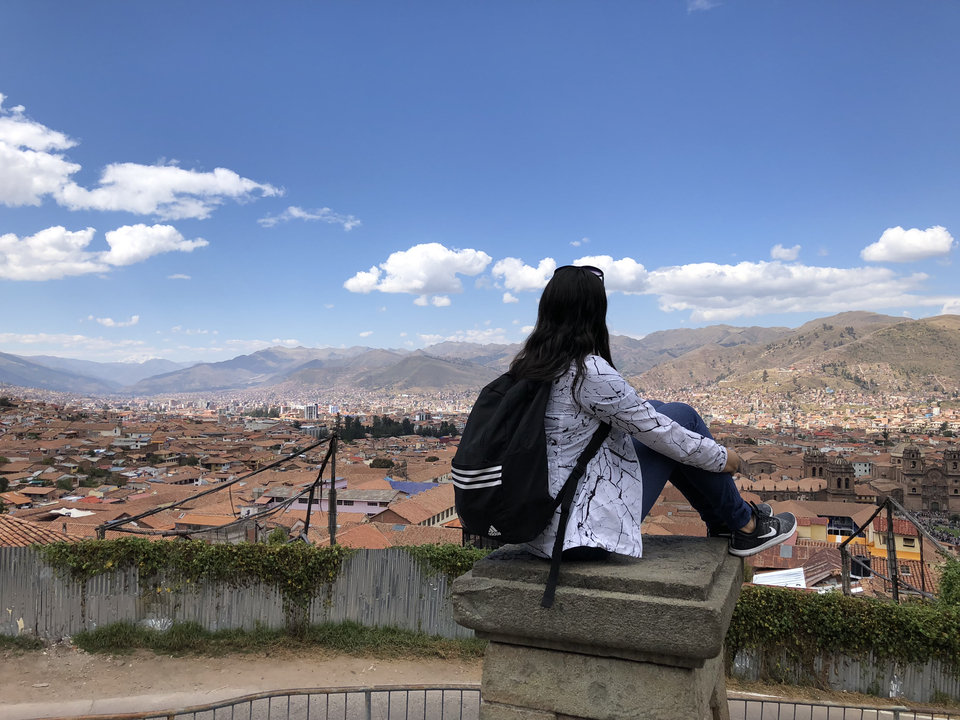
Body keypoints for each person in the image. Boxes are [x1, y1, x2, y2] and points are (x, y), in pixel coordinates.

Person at [509, 263, 797, 561]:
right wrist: (725, 458)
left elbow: (647, 419)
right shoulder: (587, 371)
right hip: (579, 530)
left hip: (541, 524)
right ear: (595, 312)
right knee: (682, 417)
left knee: (662, 410)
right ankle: (745, 525)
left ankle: (726, 522)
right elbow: (662, 434)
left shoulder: (528, 366)